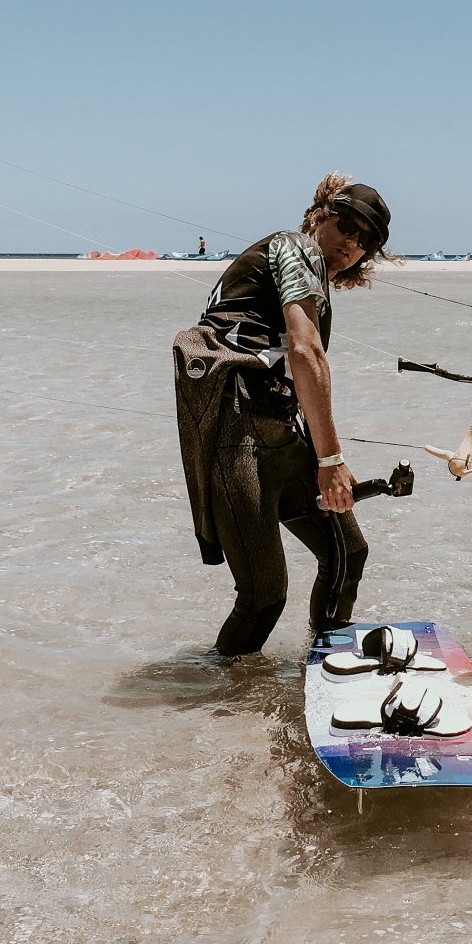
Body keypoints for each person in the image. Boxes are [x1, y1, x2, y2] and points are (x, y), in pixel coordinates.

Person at [173, 175, 392, 656]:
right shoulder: (296, 247)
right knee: (264, 596)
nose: (354, 243)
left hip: (278, 434)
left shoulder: (308, 272)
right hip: (237, 436)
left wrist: (323, 458)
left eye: (367, 241)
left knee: (347, 552)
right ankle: (217, 691)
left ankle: (325, 666)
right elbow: (305, 351)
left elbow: (294, 375)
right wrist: (331, 460)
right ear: (321, 214)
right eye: (348, 226)